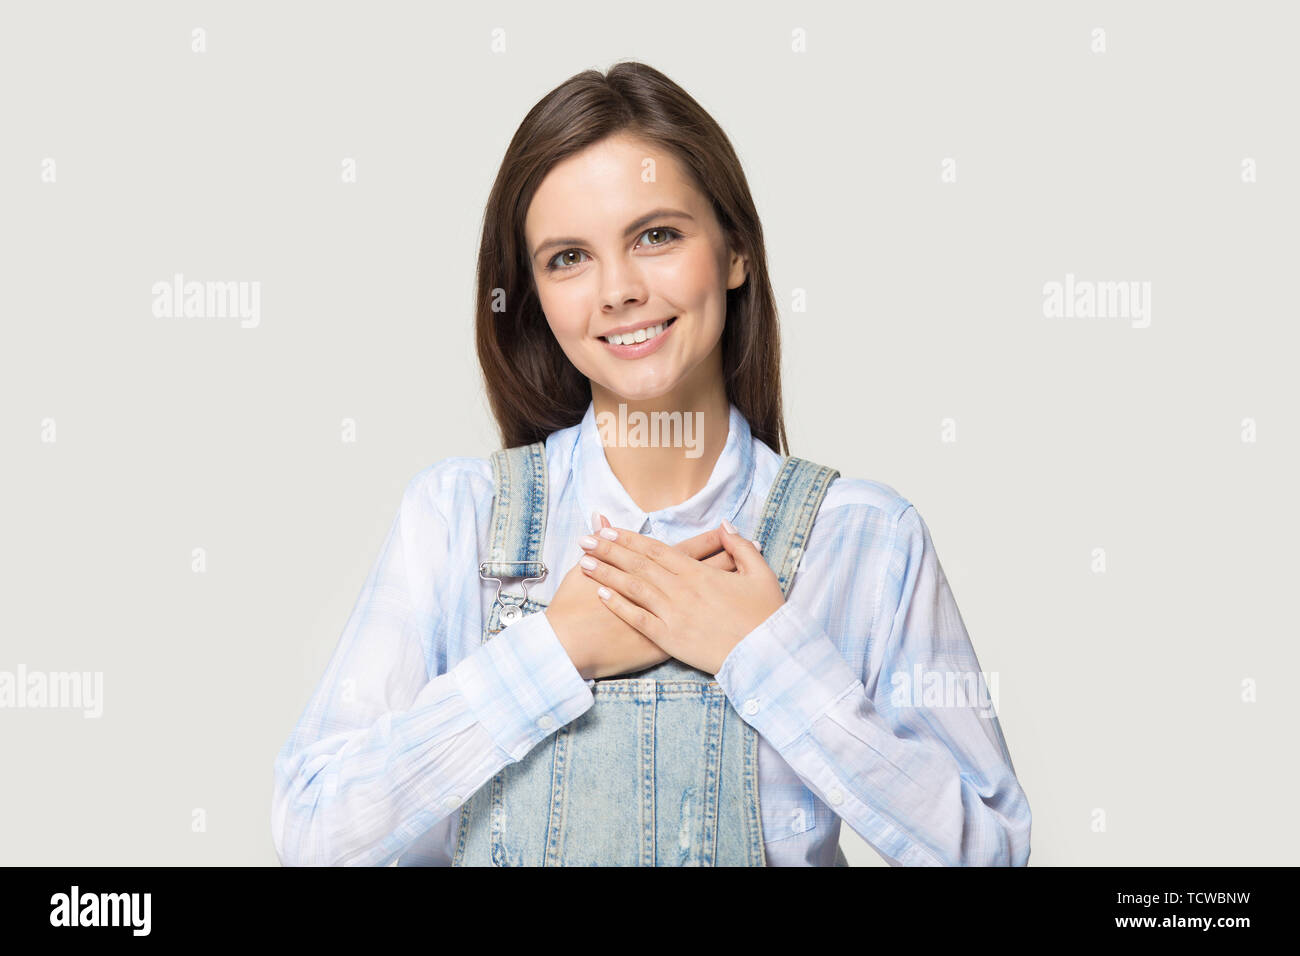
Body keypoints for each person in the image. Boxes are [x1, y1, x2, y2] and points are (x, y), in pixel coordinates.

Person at [271, 61, 1032, 867]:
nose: (618, 290)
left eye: (656, 236)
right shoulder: (455, 519)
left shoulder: (868, 540)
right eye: (569, 258)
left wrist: (768, 655)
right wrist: (553, 653)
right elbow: (318, 832)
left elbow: (988, 853)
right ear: (533, 295)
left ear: (735, 252)